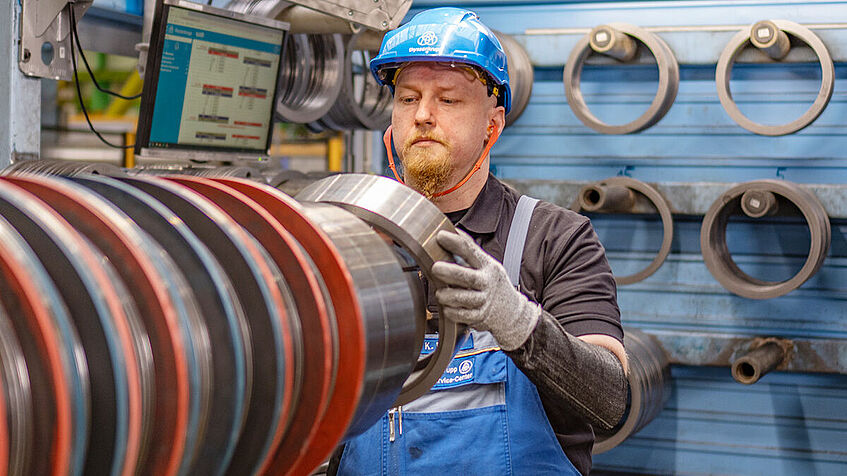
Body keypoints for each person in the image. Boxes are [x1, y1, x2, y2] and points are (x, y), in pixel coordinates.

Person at [329, 7, 628, 476]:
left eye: (448, 100)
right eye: (408, 99)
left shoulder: (556, 239)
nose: (423, 116)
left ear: (494, 123)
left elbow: (610, 403)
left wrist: (516, 321)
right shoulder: (349, 236)